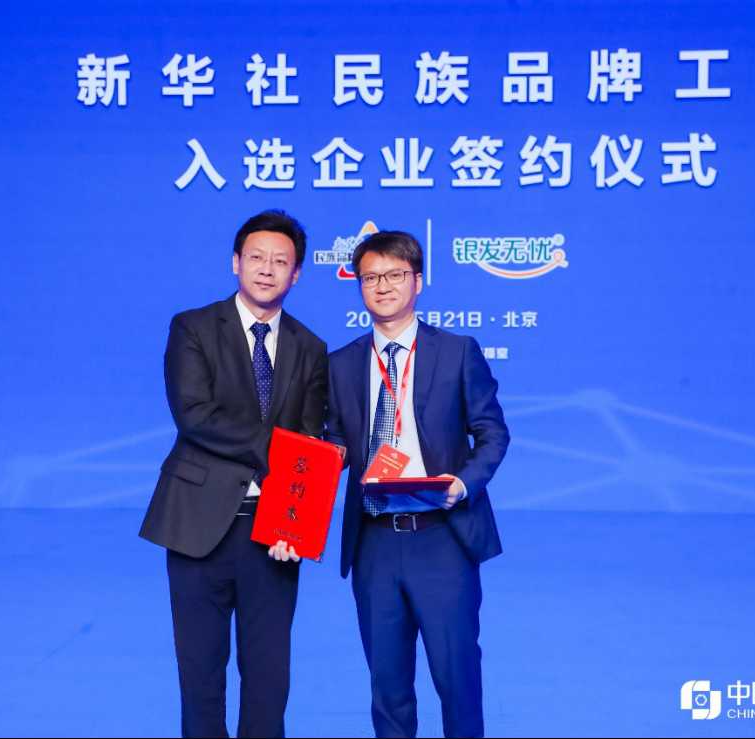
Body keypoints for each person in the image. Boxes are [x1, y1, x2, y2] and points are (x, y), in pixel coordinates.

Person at [140, 209, 327, 738]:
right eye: (256, 257)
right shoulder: (193, 327)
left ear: (296, 274)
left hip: (273, 534)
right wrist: (278, 448)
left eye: (280, 261)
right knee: (200, 675)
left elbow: (310, 440)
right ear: (235, 263)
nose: (267, 269)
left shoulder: (310, 347)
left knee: (269, 679)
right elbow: (195, 416)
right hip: (197, 526)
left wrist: (298, 524)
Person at [324, 230, 509, 738]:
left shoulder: (457, 351)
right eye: (370, 278)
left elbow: (493, 432)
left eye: (394, 275)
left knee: (457, 680)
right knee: (388, 689)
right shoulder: (341, 363)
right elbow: (334, 441)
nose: (382, 286)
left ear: (418, 281)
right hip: (374, 544)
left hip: (442, 536)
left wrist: (463, 484)